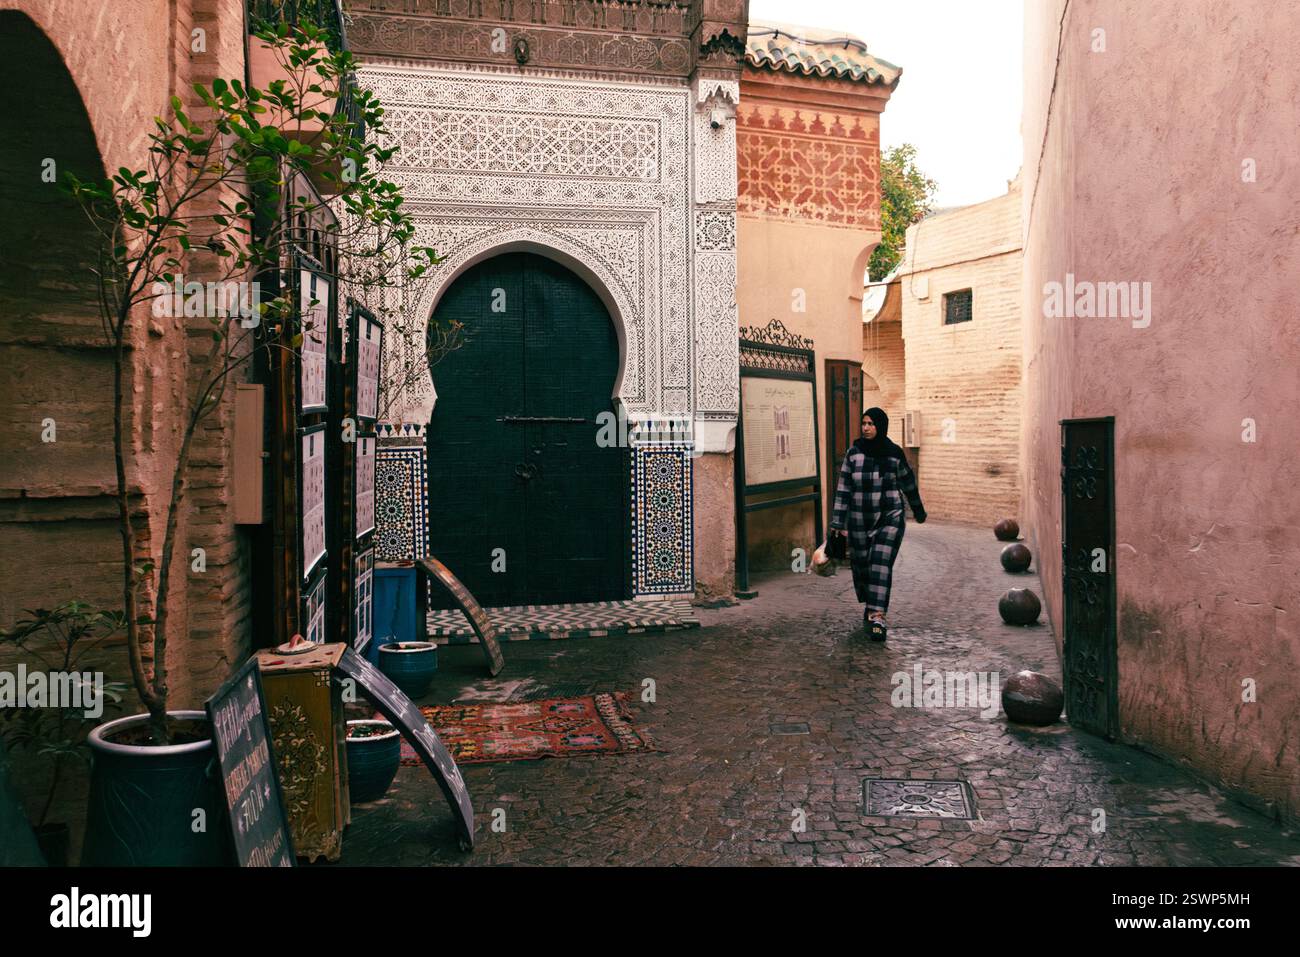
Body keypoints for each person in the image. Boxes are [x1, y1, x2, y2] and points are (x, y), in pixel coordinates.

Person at [829, 407, 926, 641]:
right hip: (859, 520)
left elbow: (908, 483)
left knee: (880, 564)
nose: (866, 428)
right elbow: (843, 490)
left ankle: (877, 616)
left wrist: (918, 510)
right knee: (862, 566)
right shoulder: (854, 454)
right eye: (864, 423)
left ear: (881, 426)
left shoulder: (894, 454)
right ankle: (872, 603)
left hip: (889, 517)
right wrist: (837, 523)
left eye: (871, 424)